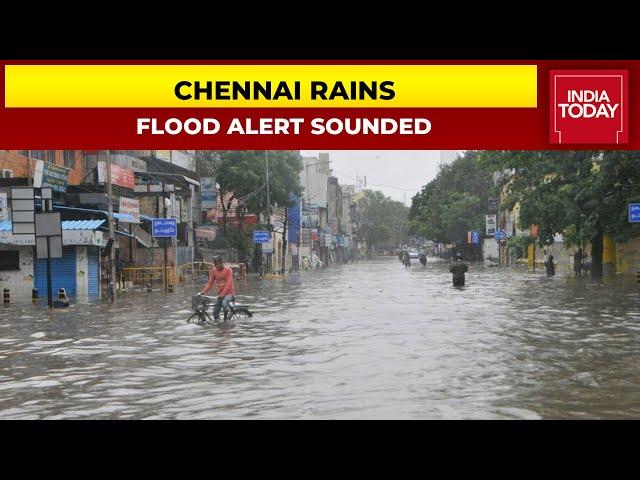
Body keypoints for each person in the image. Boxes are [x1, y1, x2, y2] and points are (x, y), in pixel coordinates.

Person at [199, 255, 236, 321]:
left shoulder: (228, 270)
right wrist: (203, 292)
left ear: (221, 262)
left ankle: (226, 321)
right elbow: (210, 283)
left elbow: (228, 284)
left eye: (218, 264)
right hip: (221, 294)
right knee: (215, 312)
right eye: (215, 264)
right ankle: (219, 324)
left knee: (224, 303)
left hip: (229, 293)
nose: (216, 266)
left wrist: (222, 295)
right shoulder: (214, 271)